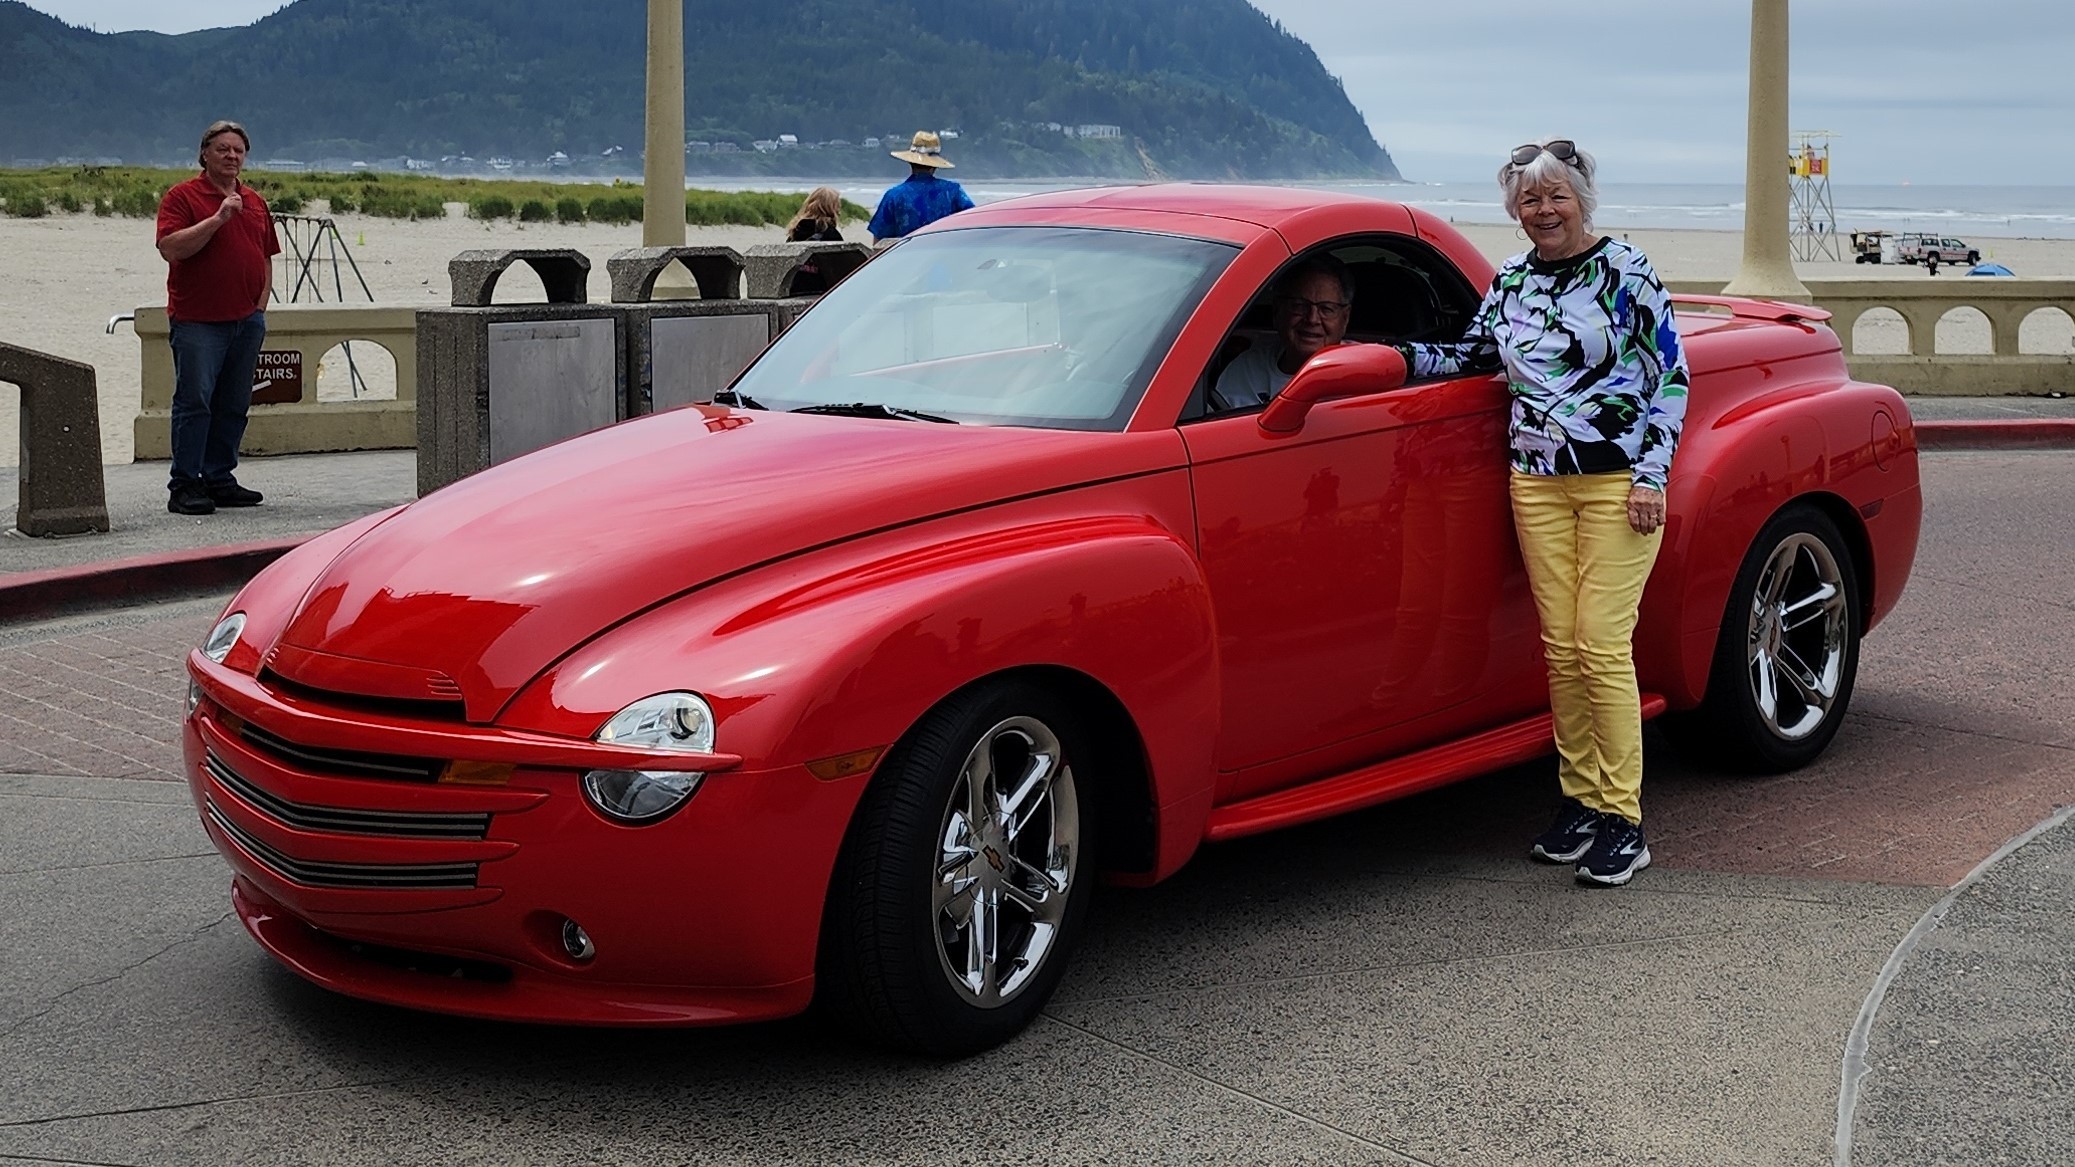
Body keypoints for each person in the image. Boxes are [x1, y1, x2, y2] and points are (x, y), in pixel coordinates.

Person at [1394, 138, 1689, 888]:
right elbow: (1471, 356)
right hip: (1536, 482)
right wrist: (1383, 359)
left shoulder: (1624, 269)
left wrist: (1652, 472)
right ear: (1513, 211)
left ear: (1581, 200)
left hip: (1617, 481)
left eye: (1555, 196)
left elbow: (1670, 376)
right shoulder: (1513, 282)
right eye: (1528, 199)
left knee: (1599, 642)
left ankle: (1624, 819)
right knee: (1559, 646)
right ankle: (1581, 803)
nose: (1542, 210)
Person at [155, 119, 280, 516]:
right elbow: (171, 249)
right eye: (223, 149)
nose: (231, 156)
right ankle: (185, 484)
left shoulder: (256, 202)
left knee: (233, 404)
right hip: (198, 322)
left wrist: (259, 306)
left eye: (238, 150)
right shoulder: (182, 197)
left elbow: (265, 255)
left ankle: (219, 477)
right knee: (195, 403)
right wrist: (218, 219)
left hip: (246, 321)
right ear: (205, 153)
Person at [1209, 254, 1354, 410]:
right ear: (1278, 310)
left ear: (1345, 318)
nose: (1312, 319)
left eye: (1326, 309)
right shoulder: (1247, 369)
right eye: (1299, 306)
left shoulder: (1362, 376)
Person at [866, 131, 974, 243]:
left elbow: (879, 241)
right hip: (945, 255)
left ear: (910, 162)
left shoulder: (894, 195)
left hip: (908, 257)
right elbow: (974, 220)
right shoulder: (952, 191)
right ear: (935, 166)